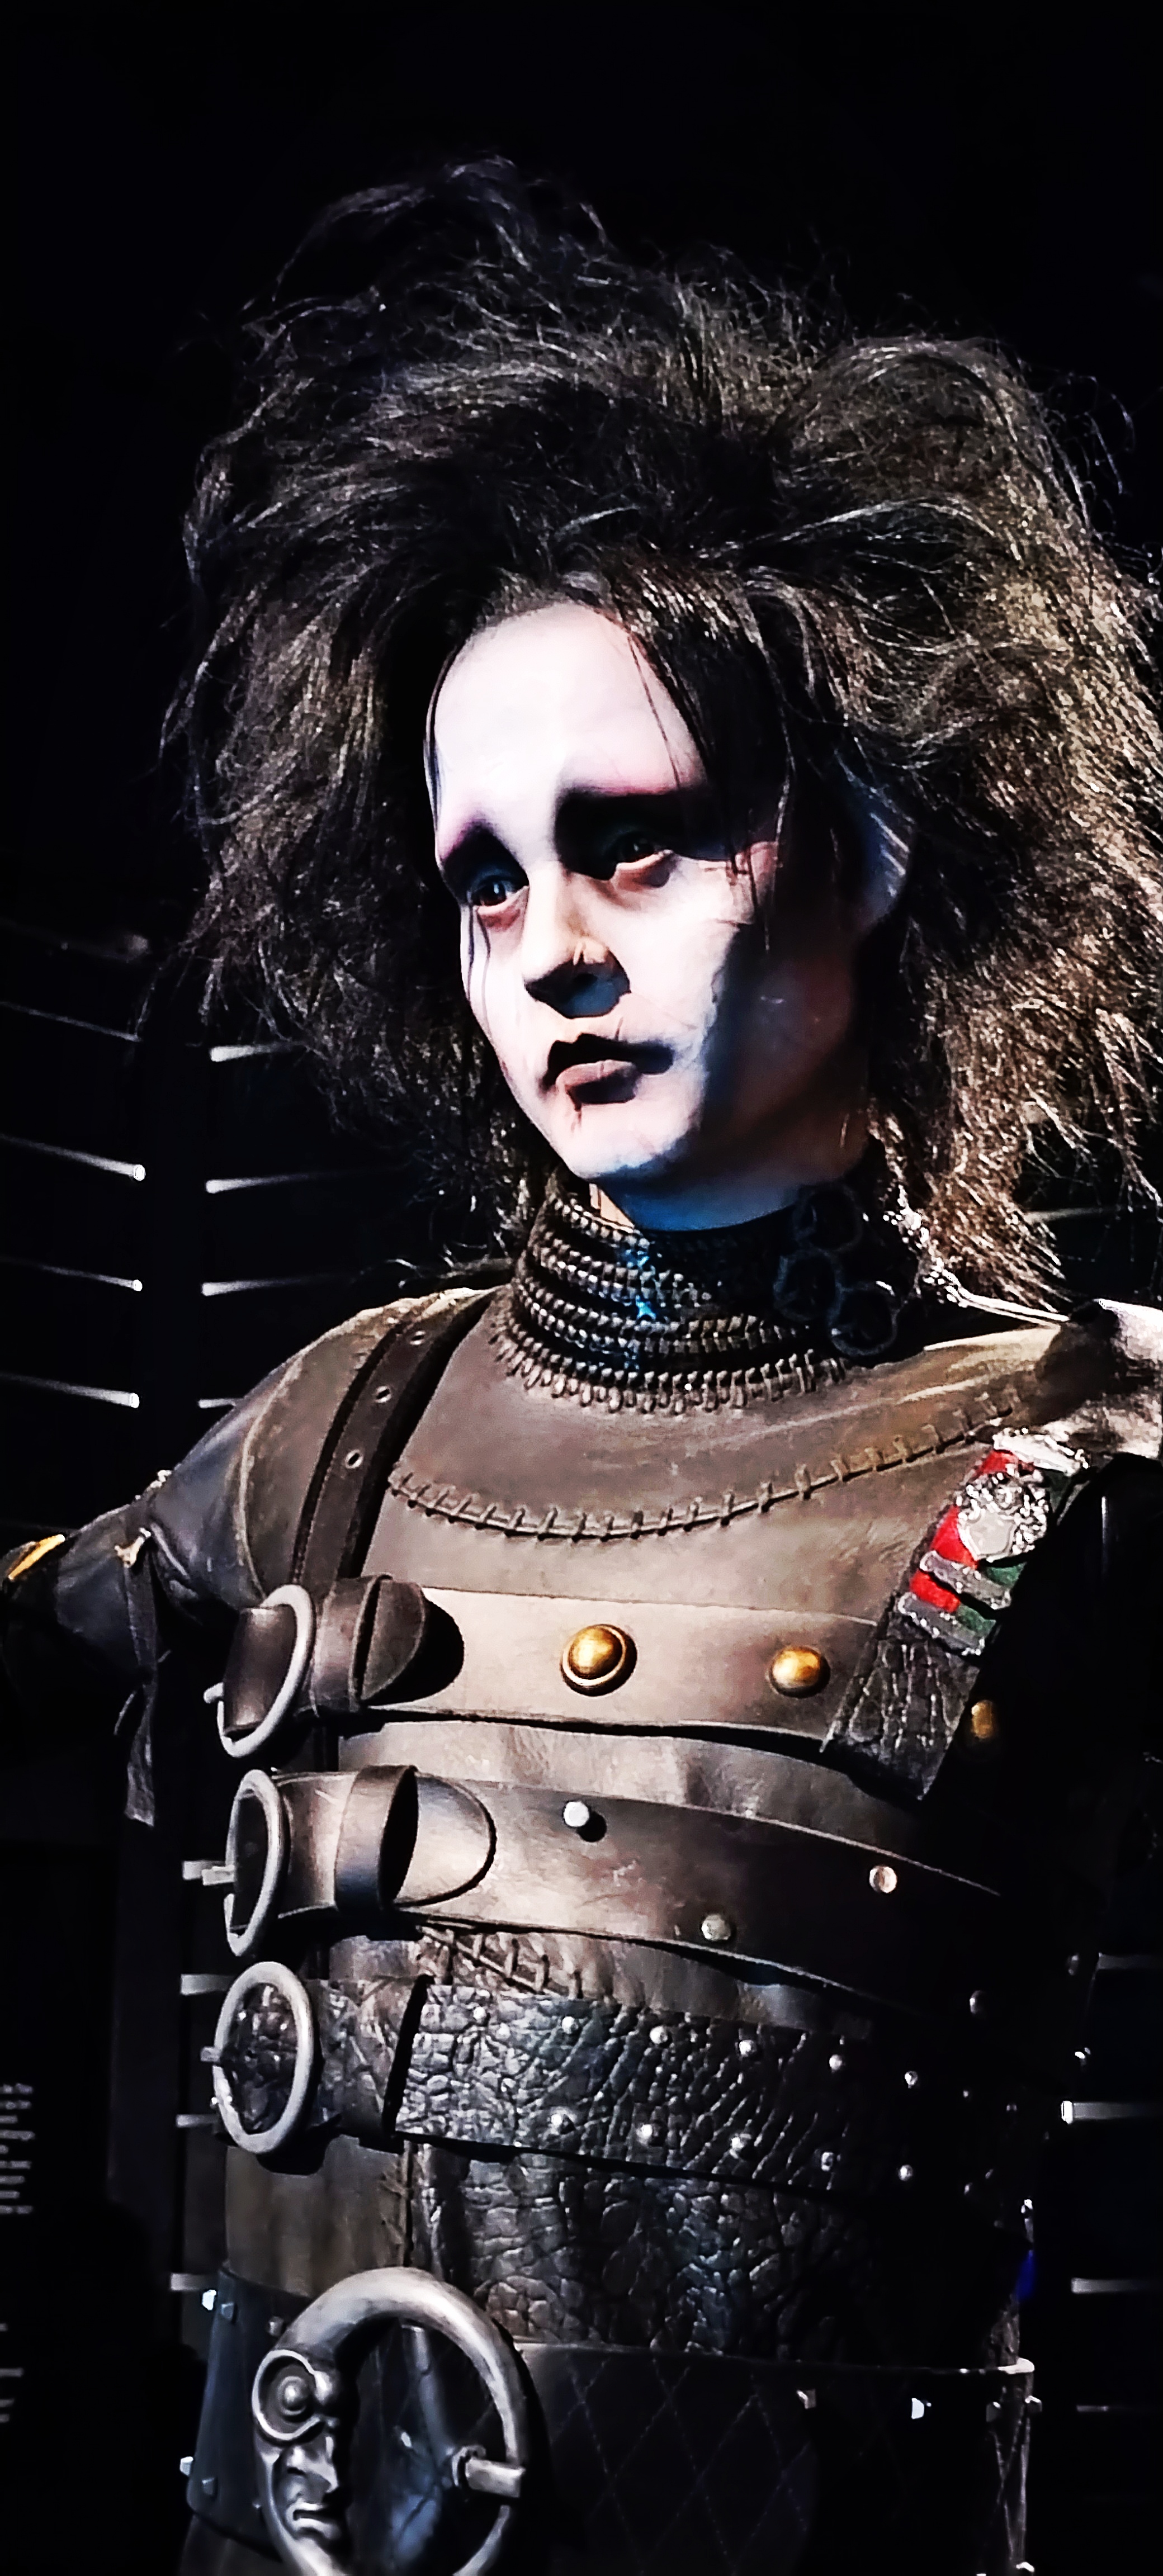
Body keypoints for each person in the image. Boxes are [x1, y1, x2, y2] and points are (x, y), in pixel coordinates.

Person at [3, 163, 1161, 2576]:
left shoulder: (1097, 1444)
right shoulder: (326, 1433)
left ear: (873, 837)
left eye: (638, 844)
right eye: (487, 876)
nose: (547, 949)